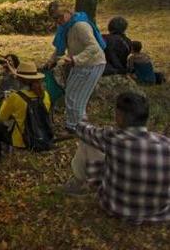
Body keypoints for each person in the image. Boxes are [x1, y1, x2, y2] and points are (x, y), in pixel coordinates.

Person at [64, 92, 170, 223]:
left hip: (115, 207)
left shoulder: (112, 138)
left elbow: (82, 130)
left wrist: (83, 118)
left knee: (88, 141)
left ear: (119, 116)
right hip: (158, 212)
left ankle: (79, 183)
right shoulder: (166, 144)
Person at [45, 0, 106, 134]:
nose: (58, 21)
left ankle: (74, 128)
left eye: (59, 17)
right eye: (55, 19)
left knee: (75, 97)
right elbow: (60, 49)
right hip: (81, 63)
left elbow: (94, 47)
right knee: (73, 95)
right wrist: (51, 60)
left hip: (92, 63)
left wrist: (75, 59)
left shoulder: (80, 26)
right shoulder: (66, 27)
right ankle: (80, 125)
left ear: (68, 12)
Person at [0, 60, 52, 161]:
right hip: (42, 136)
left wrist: (7, 100)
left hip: (23, 140)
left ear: (20, 79)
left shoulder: (16, 97)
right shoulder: (45, 95)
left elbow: (2, 116)